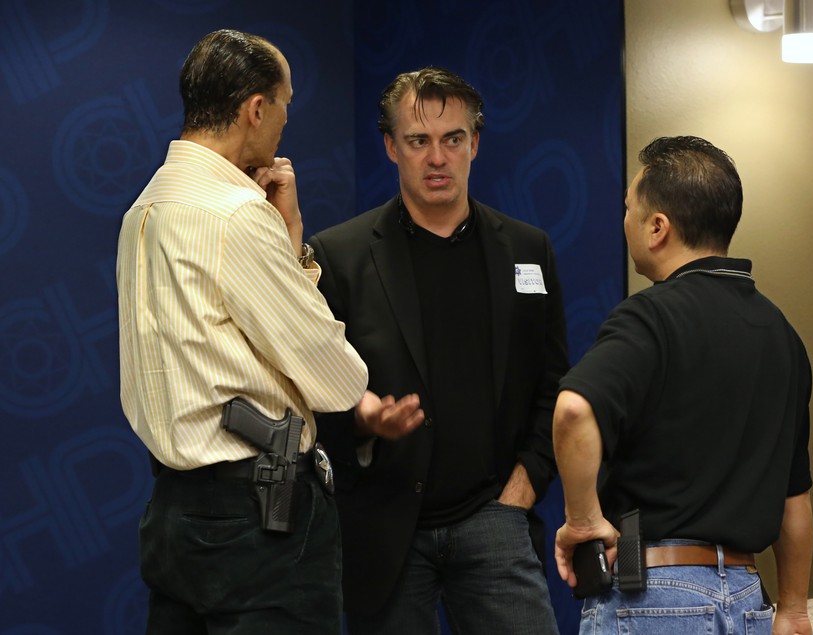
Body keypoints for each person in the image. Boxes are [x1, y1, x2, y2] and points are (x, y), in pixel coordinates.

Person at [116, 29, 368, 634]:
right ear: (256, 108)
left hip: (174, 512)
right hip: (258, 522)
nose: (285, 122)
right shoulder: (233, 214)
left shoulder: (143, 210)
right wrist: (291, 240)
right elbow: (340, 381)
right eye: (284, 104)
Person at [309, 66, 568, 634]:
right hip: (386, 528)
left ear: (474, 144)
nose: (437, 157)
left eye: (452, 139)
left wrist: (524, 488)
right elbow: (312, 395)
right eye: (418, 141)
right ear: (390, 147)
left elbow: (554, 384)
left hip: (494, 518)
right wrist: (364, 421)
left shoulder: (527, 250)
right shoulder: (339, 256)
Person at [553, 135, 813, 635]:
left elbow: (572, 411)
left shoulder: (648, 317)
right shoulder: (783, 335)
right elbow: (793, 496)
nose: (623, 221)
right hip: (747, 601)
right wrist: (795, 609)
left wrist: (583, 521)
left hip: (653, 600)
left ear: (657, 228)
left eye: (628, 208)